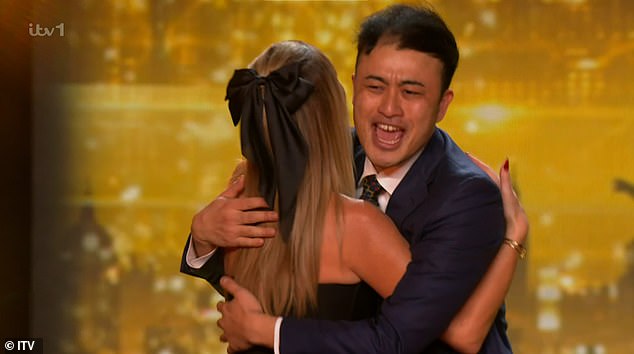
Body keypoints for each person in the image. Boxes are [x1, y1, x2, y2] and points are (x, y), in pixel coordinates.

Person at [182, 4, 528, 353]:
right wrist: (202, 238)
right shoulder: (327, 163)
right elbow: (264, 282)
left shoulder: (466, 196)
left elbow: (456, 336)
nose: (389, 108)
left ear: (442, 104)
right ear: (348, 92)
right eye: (375, 86)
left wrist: (266, 331)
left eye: (410, 92)